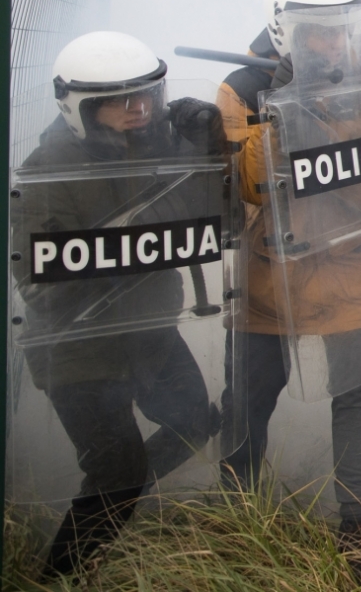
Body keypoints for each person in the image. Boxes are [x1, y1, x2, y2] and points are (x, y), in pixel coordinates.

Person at [12, 32, 224, 577]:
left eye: (146, 95)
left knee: (193, 421)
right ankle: (60, 575)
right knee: (117, 468)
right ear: (79, 106)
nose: (139, 109)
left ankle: (113, 499)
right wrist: (113, 257)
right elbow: (36, 283)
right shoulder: (44, 173)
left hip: (147, 330)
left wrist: (207, 150)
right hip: (77, 348)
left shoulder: (163, 146)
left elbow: (208, 222)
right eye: (118, 100)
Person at [218, 0, 361, 560]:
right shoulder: (244, 90)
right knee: (251, 393)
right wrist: (277, 129)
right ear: (282, 29)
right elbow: (246, 191)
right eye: (318, 32)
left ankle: (359, 524)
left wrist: (323, 128)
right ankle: (239, 518)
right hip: (273, 271)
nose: (333, 44)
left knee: (354, 388)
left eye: (342, 30)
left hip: (352, 261)